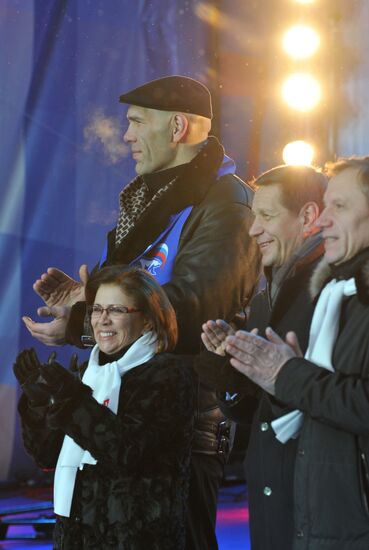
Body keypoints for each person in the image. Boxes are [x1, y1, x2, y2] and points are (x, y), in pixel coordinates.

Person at [22, 75, 260, 549]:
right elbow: (139, 298)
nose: (126, 135)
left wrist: (85, 325)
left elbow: (197, 310)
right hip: (120, 423)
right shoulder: (154, 200)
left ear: (177, 127)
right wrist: (84, 308)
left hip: (176, 434)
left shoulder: (225, 203)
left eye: (136, 122)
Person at [224, 156, 369, 549]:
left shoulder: (337, 294)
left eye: (339, 206)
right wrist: (230, 371)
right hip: (316, 515)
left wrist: (286, 374)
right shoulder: (339, 294)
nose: (324, 222)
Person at [195, 164, 327, 549]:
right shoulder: (264, 296)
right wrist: (230, 374)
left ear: (308, 216)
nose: (253, 230)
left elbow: (337, 401)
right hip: (272, 497)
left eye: (266, 216)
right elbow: (257, 417)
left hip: (317, 500)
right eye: (254, 216)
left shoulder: (337, 291)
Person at [15, 265, 193, 549]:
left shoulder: (166, 374)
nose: (102, 320)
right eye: (97, 310)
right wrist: (38, 403)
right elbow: (46, 455)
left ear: (147, 320)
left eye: (117, 310)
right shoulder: (88, 373)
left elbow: (126, 451)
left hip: (136, 538)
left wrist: (70, 399)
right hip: (76, 533)